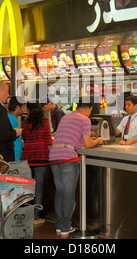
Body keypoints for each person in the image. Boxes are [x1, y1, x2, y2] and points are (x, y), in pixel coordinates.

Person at [49, 98, 103, 236]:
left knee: (60, 191)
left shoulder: (66, 117)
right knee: (68, 193)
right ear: (88, 108)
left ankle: (59, 226)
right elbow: (88, 143)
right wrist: (98, 140)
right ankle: (66, 227)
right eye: (91, 110)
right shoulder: (85, 120)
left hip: (54, 155)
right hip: (68, 156)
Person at [20, 101, 53, 224]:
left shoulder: (25, 123)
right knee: (38, 187)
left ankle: (26, 214)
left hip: (27, 158)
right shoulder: (45, 122)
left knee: (27, 187)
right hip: (41, 157)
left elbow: (25, 139)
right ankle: (35, 216)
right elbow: (49, 141)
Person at [8, 96, 25, 161]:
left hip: (16, 155)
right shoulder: (10, 119)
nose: (24, 110)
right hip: (13, 157)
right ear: (18, 107)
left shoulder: (13, 118)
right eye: (23, 107)